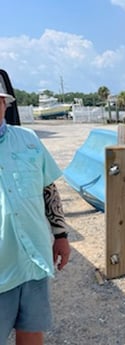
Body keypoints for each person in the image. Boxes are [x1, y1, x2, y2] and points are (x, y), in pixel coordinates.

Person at [0, 86, 71, 345]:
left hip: (34, 261)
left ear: (5, 105)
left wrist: (60, 235)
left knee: (31, 332)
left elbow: (48, 189)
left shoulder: (28, 139)